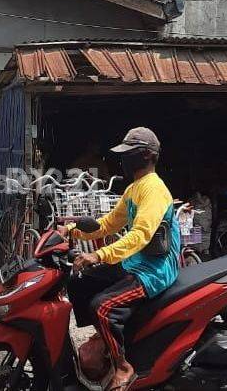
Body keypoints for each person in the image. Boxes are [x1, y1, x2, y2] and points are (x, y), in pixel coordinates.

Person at [65, 127, 181, 391]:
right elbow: (107, 224)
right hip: (135, 263)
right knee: (79, 282)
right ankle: (108, 339)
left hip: (154, 270)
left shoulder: (154, 190)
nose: (124, 159)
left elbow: (140, 234)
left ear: (148, 156)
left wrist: (98, 254)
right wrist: (70, 231)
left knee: (102, 307)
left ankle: (122, 366)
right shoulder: (134, 188)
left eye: (130, 154)